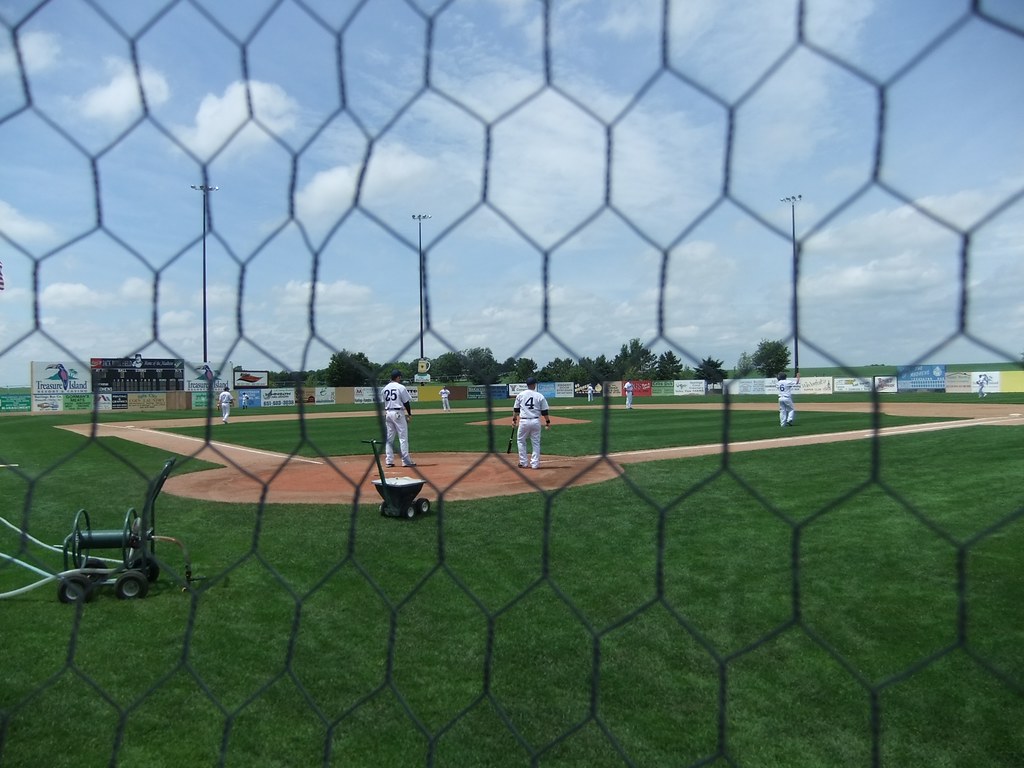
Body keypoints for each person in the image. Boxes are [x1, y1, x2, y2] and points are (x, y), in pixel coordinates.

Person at [513, 377, 551, 470]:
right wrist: (547, 422)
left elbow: (516, 410)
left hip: (524, 421)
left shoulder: (520, 395)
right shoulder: (539, 396)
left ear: (527, 385)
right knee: (536, 442)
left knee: (521, 441)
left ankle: (523, 462)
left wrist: (514, 420)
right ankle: (535, 464)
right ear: (534, 384)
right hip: (535, 421)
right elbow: (544, 411)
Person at [381, 369, 415, 467]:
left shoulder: (385, 388)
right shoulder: (400, 387)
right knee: (403, 437)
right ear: (398, 377)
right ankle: (405, 461)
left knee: (389, 438)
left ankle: (389, 461)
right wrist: (409, 414)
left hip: (388, 413)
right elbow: (406, 402)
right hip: (398, 413)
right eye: (400, 377)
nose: (400, 378)